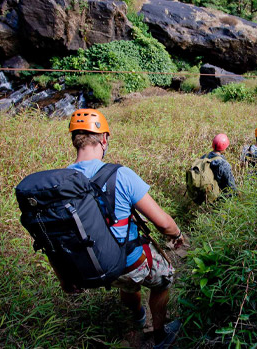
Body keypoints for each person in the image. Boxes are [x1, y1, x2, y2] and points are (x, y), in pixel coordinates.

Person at [67, 109, 184, 349]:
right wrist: (178, 235)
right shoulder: (120, 175)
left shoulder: (61, 181)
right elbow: (163, 223)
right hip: (130, 260)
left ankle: (138, 315)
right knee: (164, 280)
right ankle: (160, 335)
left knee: (128, 283)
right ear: (104, 139)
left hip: (95, 265)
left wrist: (64, 277)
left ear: (74, 140)